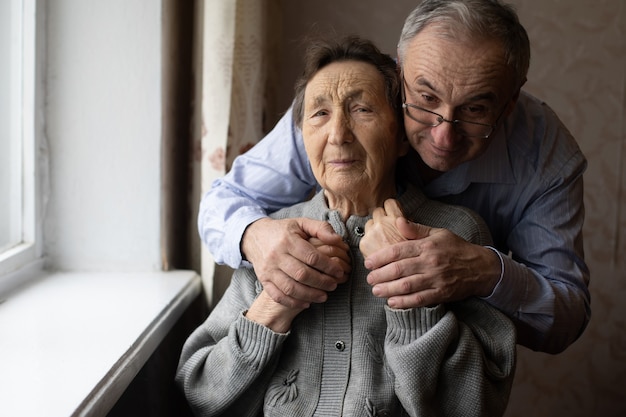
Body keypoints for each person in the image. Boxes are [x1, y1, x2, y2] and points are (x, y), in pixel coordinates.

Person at [198, 0, 590, 354]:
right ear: (400, 72)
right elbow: (221, 203)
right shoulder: (338, 111)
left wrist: (480, 272)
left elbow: (566, 318)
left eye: (475, 109)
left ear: (510, 101)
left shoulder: (546, 155)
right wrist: (256, 237)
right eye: (426, 99)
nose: (444, 136)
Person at [178, 36, 516, 417]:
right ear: (302, 137)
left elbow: (478, 406)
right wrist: (274, 305)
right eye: (319, 114)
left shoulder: (458, 233)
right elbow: (200, 395)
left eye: (361, 110)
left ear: (401, 136)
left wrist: (411, 300)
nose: (338, 135)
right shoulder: (274, 238)